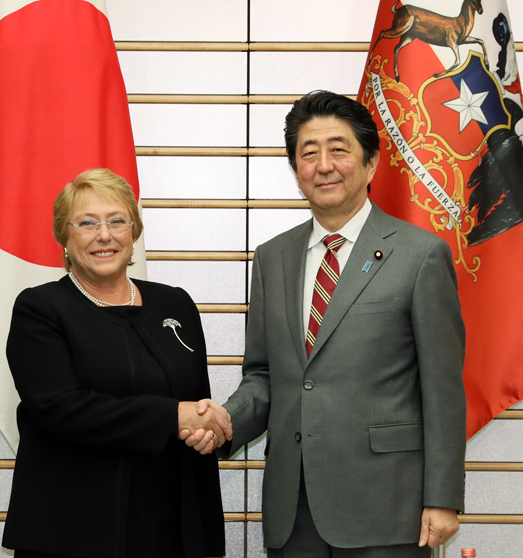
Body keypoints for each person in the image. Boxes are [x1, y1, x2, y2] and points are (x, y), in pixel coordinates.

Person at [184, 91, 466, 557]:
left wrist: (443, 499)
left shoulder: (420, 255)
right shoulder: (273, 258)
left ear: (371, 164)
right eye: (308, 153)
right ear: (296, 171)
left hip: (388, 508)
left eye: (339, 150)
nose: (324, 165)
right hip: (293, 509)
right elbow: (265, 374)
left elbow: (443, 388)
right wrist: (226, 422)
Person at [2, 168, 231, 558]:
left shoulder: (175, 303)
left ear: (134, 232)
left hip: (171, 529)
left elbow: (195, 402)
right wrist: (174, 417)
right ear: (64, 236)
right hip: (76, 531)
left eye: (117, 221)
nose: (104, 235)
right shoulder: (40, 310)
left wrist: (208, 428)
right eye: (87, 223)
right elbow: (61, 409)